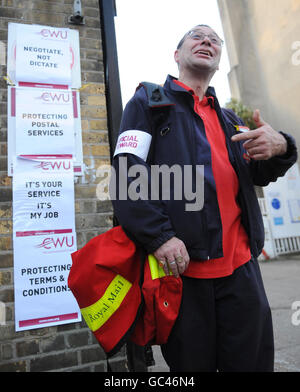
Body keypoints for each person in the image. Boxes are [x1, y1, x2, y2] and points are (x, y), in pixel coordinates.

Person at [111, 25, 298, 372]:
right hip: (183, 276)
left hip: (242, 273)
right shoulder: (149, 104)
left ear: (217, 59)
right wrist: (161, 237)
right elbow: (127, 176)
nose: (207, 41)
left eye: (214, 39)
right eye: (197, 36)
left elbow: (258, 173)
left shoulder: (230, 121)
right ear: (177, 55)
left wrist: (282, 146)